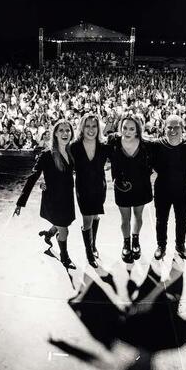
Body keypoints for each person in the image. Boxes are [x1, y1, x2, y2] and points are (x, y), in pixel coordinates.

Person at [14, 119, 78, 269]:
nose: (65, 133)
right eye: (61, 130)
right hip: (53, 198)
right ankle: (64, 256)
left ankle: (49, 234)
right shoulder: (47, 155)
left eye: (67, 130)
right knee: (64, 230)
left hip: (67, 196)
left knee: (63, 222)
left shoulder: (72, 151)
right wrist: (21, 201)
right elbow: (33, 177)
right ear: (55, 133)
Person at [150, 114, 186, 260]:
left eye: (176, 127)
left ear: (182, 129)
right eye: (169, 127)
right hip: (162, 189)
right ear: (164, 128)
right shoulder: (157, 145)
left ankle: (180, 245)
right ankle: (161, 246)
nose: (172, 130)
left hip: (182, 189)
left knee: (182, 220)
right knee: (161, 219)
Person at [107, 114, 153, 263]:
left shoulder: (146, 144)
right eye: (125, 128)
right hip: (122, 186)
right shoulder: (113, 142)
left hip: (141, 186)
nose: (127, 131)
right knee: (125, 218)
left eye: (132, 129)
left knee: (138, 216)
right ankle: (126, 243)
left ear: (137, 130)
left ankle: (135, 240)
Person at [71, 113, 110, 268]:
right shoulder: (74, 146)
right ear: (82, 127)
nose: (91, 129)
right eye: (87, 126)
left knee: (95, 216)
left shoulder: (103, 146)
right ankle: (89, 253)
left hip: (99, 187)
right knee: (87, 220)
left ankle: (93, 246)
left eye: (94, 126)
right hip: (83, 187)